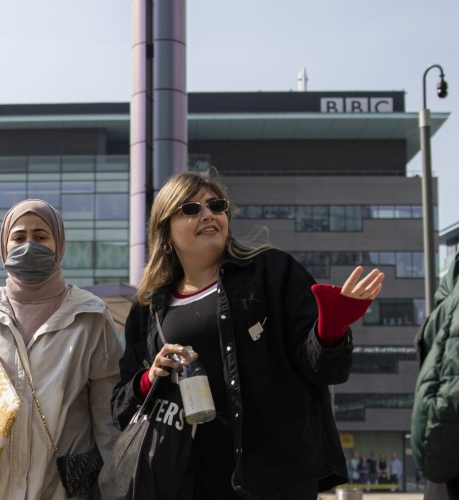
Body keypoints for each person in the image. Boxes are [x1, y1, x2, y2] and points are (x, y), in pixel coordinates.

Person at [111, 171, 385, 499]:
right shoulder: (148, 310)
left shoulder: (273, 272)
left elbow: (325, 370)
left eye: (216, 205)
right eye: (191, 209)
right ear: (166, 233)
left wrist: (332, 329)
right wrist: (150, 379)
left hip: (275, 480)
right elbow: (120, 408)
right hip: (185, 481)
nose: (208, 214)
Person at [0, 199, 123, 499]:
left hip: (59, 489)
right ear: (4, 246)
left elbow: (108, 414)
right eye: (19, 237)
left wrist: (117, 487)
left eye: (41, 236)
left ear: (59, 244)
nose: (29, 245)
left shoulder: (90, 316)